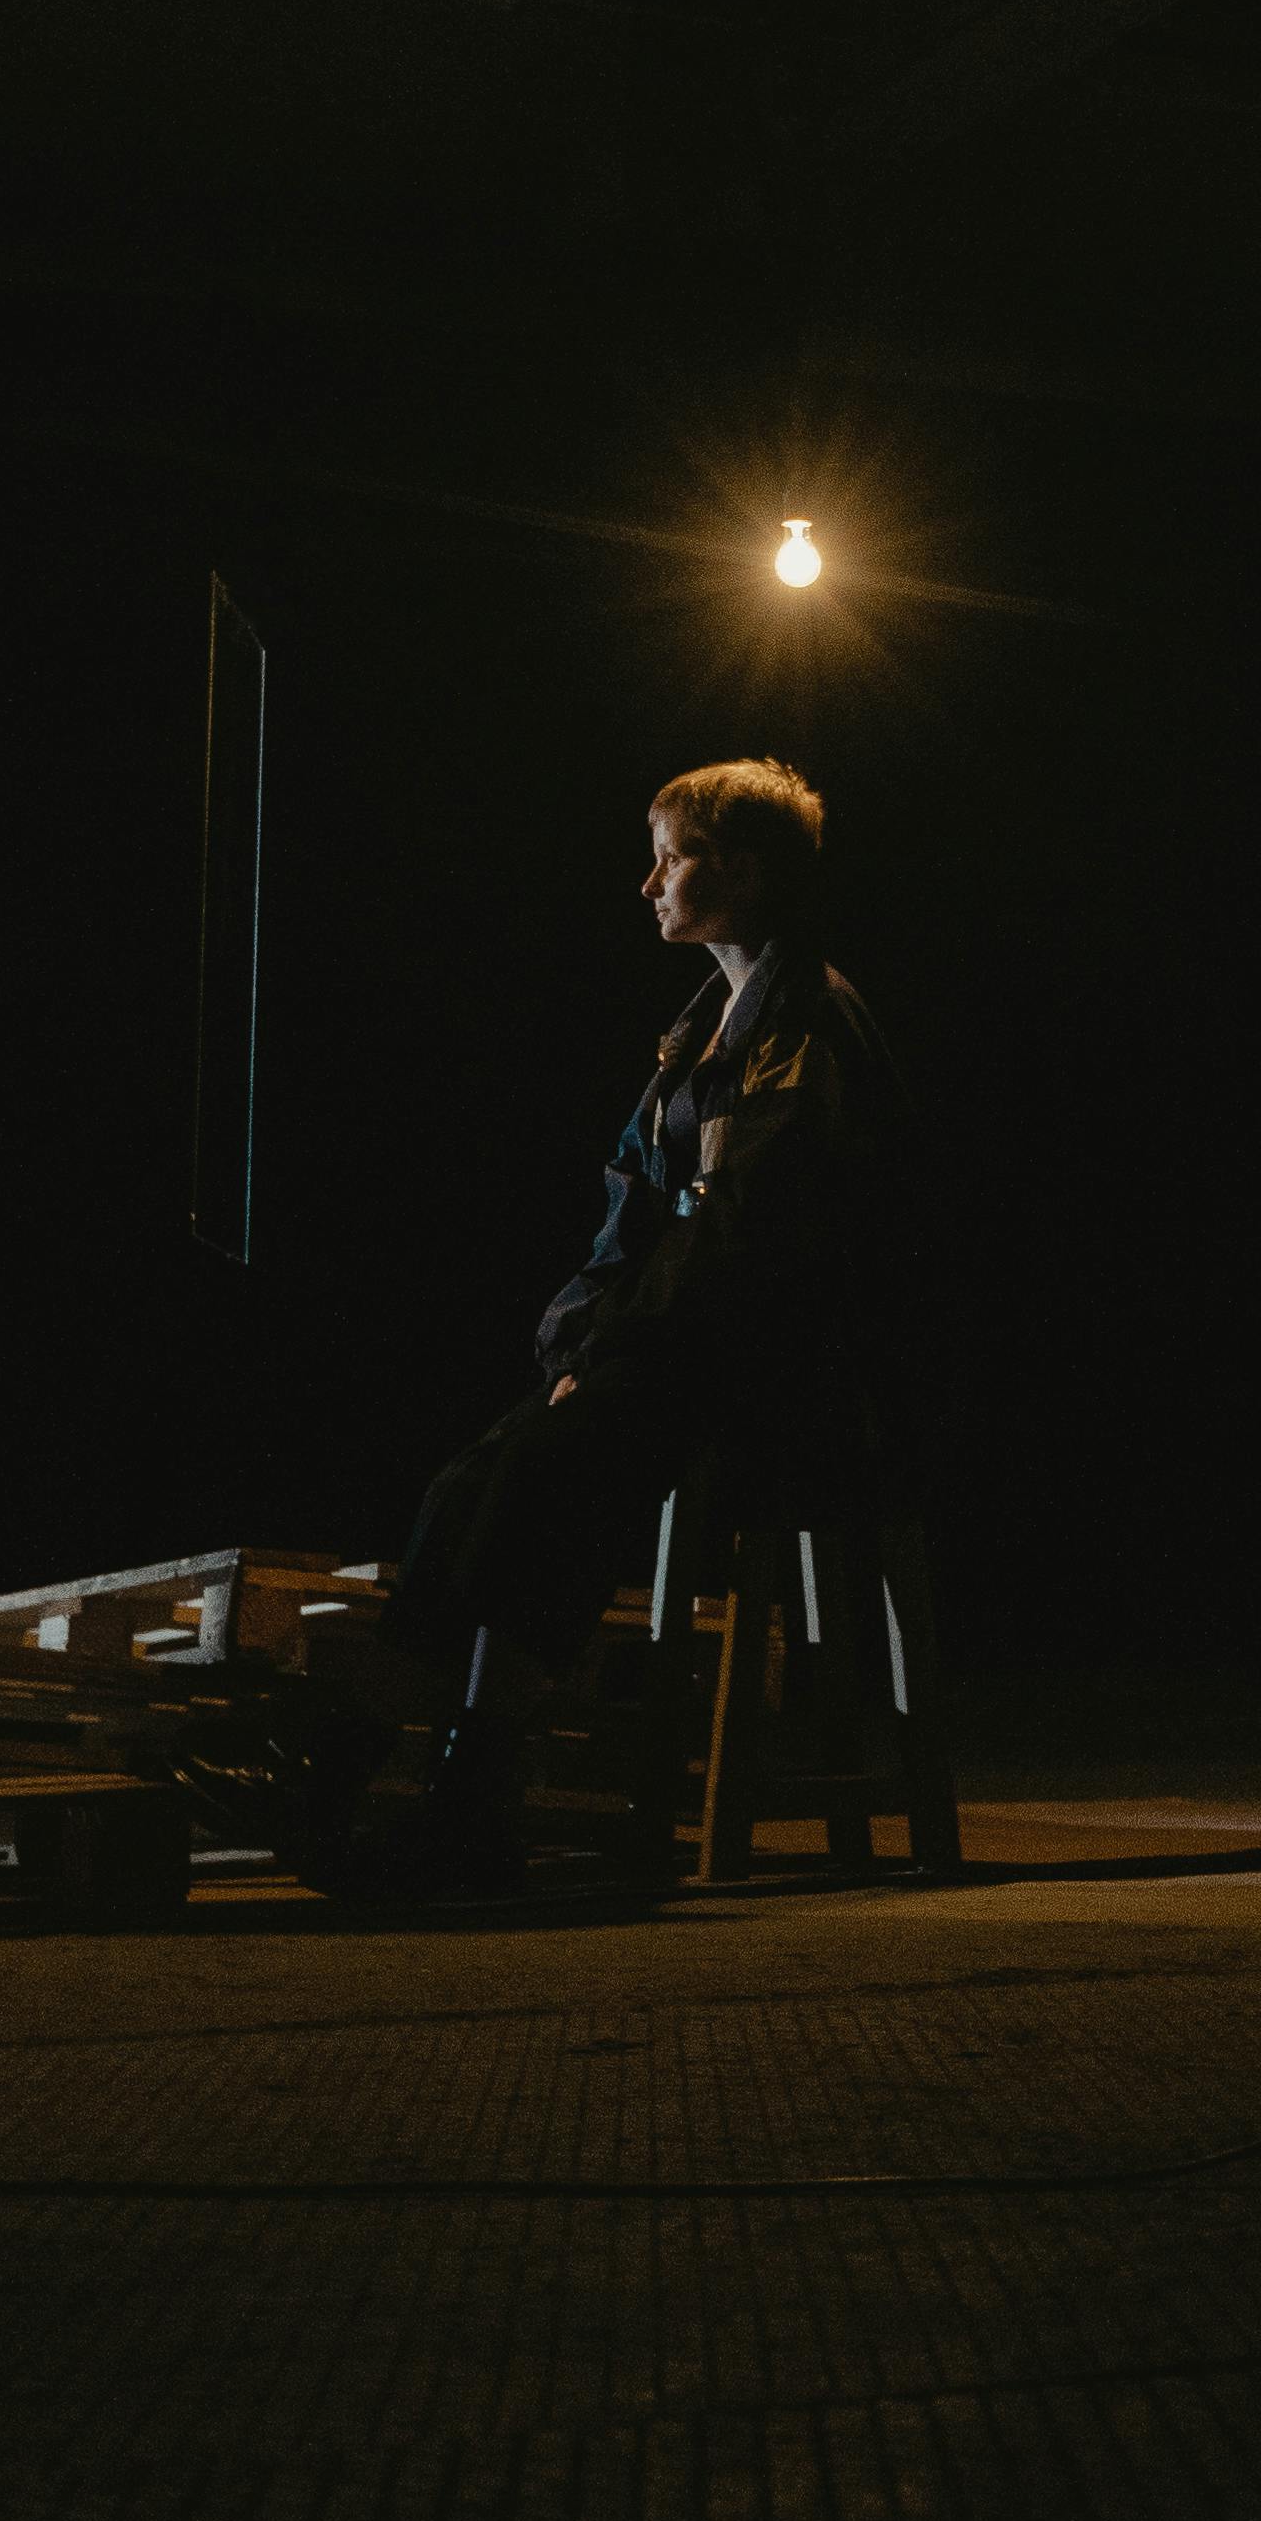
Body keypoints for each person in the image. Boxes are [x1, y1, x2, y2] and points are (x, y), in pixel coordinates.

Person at [278, 755, 902, 1894]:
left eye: (674, 857)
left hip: (772, 1368)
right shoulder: (693, 1036)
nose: (649, 883)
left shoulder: (800, 1023)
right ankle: (359, 1767)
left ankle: (457, 1801)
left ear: (745, 873)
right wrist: (575, 1339)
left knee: (553, 1468)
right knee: (471, 1480)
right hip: (667, 1351)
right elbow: (627, 1210)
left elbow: (749, 1240)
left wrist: (611, 1353)